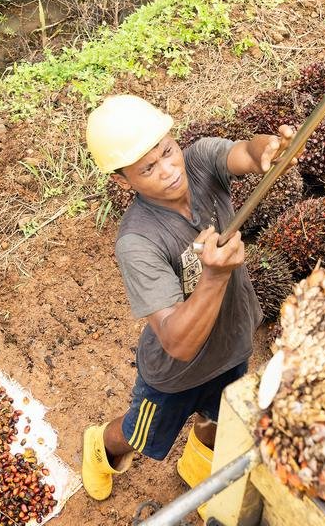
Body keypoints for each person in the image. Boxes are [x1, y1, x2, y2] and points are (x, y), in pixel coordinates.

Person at [80, 94, 295, 503]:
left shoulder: (198, 161)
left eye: (167, 151)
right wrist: (213, 276)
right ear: (123, 181)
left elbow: (243, 153)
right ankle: (99, 447)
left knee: (221, 416)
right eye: (148, 168)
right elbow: (178, 343)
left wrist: (267, 149)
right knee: (139, 436)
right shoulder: (138, 241)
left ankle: (196, 463)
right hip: (175, 378)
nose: (169, 170)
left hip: (233, 343)